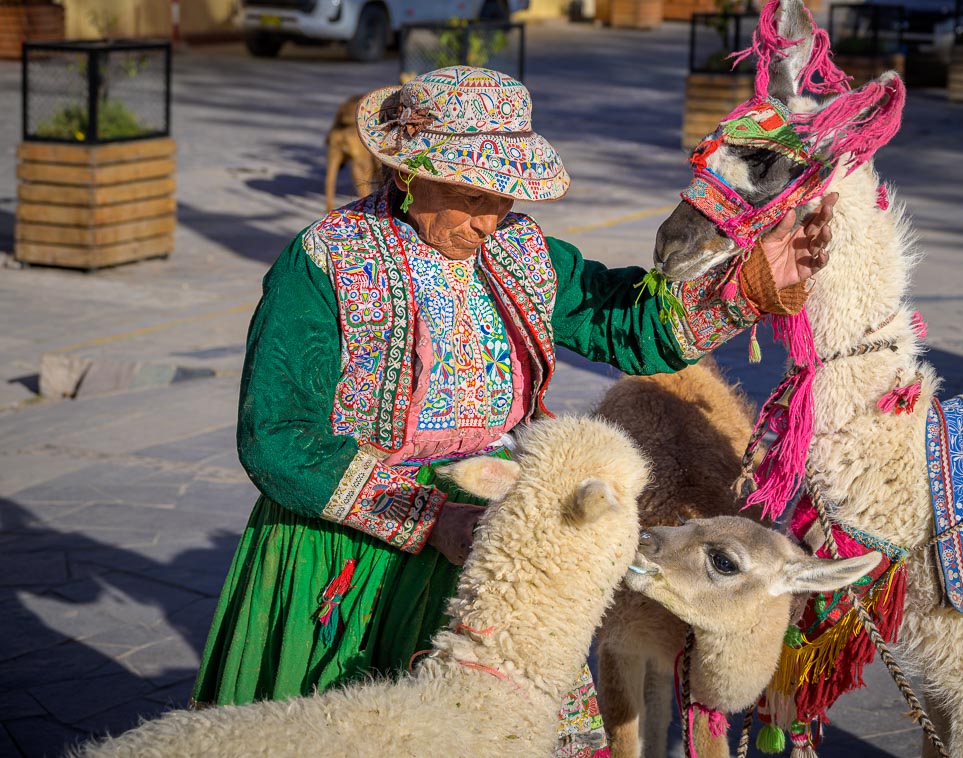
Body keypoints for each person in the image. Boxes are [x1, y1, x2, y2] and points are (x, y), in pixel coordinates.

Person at [190, 66, 835, 755]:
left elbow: (626, 324)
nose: (489, 219)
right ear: (408, 174)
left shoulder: (521, 252)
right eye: (470, 197)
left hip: (495, 537)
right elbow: (277, 438)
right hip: (344, 545)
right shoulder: (322, 264)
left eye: (504, 197)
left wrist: (756, 279)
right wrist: (430, 516)